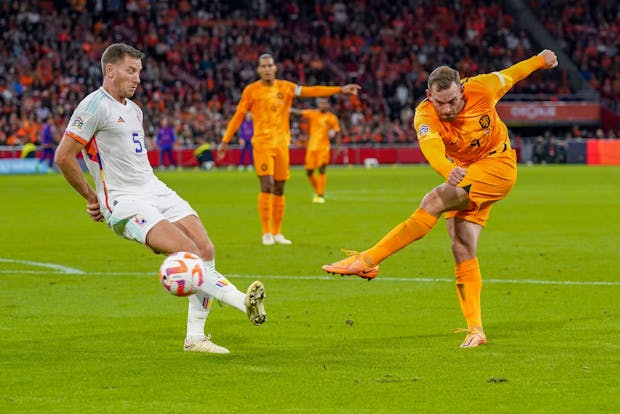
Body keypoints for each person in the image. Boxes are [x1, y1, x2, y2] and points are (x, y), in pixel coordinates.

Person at [323, 50, 559, 348]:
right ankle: (476, 329)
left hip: (499, 167)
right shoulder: (425, 115)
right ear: (428, 96)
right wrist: (449, 170)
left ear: (462, 90)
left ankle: (369, 260)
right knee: (461, 245)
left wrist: (541, 59)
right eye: (439, 102)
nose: (447, 109)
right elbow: (432, 149)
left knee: (433, 200)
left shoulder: (483, 88)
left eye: (452, 101)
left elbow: (513, 72)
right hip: (466, 173)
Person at [54, 43, 266, 354]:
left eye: (139, 71)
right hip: (124, 200)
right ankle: (240, 301)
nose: (138, 78)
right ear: (110, 70)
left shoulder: (134, 109)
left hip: (154, 188)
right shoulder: (93, 107)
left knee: (205, 249)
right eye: (131, 70)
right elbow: (63, 157)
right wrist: (92, 197)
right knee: (188, 251)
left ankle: (195, 338)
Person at [217, 53, 361, 246]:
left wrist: (340, 89)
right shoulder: (251, 90)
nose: (267, 69)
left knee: (279, 187)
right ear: (259, 70)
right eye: (263, 66)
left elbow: (312, 91)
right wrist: (225, 140)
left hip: (282, 144)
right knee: (266, 185)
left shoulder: (286, 87)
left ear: (275, 68)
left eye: (270, 65)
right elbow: (239, 115)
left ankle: (277, 232)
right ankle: (266, 232)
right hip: (262, 144)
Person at [291, 98, 342, 203]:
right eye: (321, 103)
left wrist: (337, 148)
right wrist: (286, 108)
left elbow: (338, 133)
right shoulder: (312, 114)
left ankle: (320, 194)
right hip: (312, 147)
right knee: (309, 172)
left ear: (328, 105)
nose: (323, 105)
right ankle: (318, 190)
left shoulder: (332, 118)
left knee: (322, 169)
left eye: (325, 103)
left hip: (324, 148)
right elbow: (298, 113)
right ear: (318, 105)